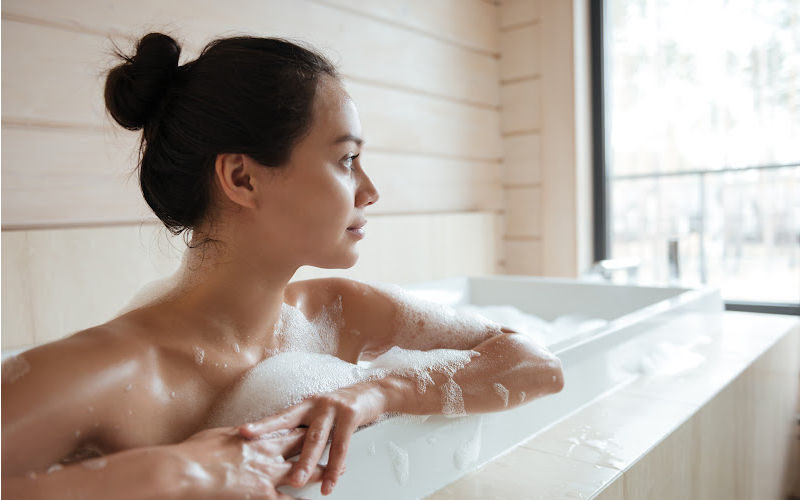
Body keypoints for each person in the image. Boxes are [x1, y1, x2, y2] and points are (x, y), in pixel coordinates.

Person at [1, 33, 565, 499]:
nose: (369, 190)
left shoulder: (341, 313)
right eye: (346, 160)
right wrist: (179, 472)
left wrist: (380, 393)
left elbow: (537, 363)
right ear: (243, 178)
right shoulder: (119, 373)